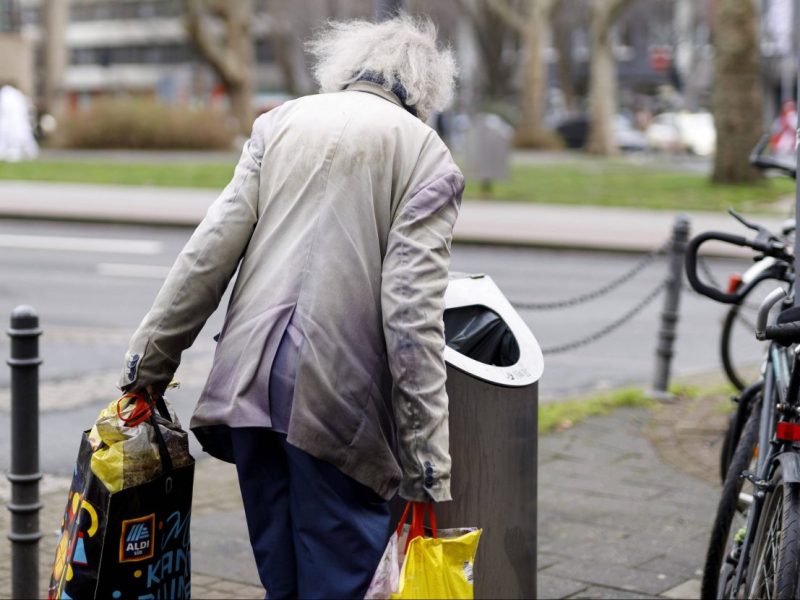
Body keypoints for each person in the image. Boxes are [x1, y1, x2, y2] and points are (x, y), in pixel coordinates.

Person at [119, 14, 463, 599]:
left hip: (247, 386)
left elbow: (208, 253)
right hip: (339, 401)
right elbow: (412, 318)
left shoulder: (280, 123)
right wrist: (428, 466)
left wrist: (146, 368)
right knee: (340, 578)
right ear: (425, 90)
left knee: (282, 579)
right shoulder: (426, 155)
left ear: (344, 68)